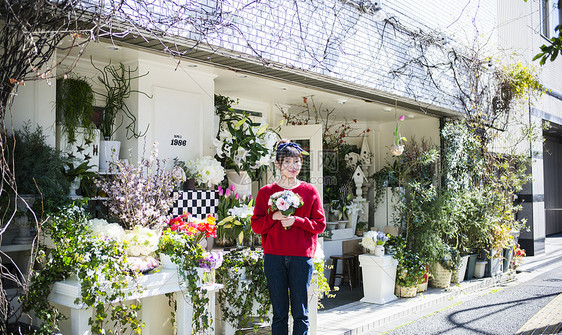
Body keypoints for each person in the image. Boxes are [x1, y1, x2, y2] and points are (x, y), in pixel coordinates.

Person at [251, 140, 326, 335]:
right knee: (279, 313)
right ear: (278, 164)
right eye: (287, 162)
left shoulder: (309, 191)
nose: (293, 167)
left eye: (297, 162)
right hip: (274, 257)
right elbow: (256, 226)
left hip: (301, 258)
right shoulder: (266, 192)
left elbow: (320, 225)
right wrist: (273, 217)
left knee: (301, 313)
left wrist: (297, 221)